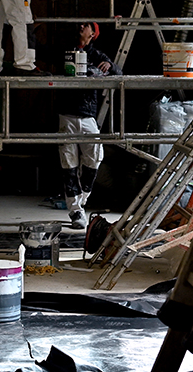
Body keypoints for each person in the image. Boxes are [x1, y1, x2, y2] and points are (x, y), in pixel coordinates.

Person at [58, 21, 120, 229]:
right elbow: (44, 52)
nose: (81, 26)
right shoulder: (66, 50)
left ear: (93, 34)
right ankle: (75, 211)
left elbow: (118, 74)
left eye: (86, 25)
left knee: (94, 159)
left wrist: (110, 66)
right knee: (68, 163)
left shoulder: (96, 55)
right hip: (66, 114)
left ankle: (82, 199)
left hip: (87, 116)